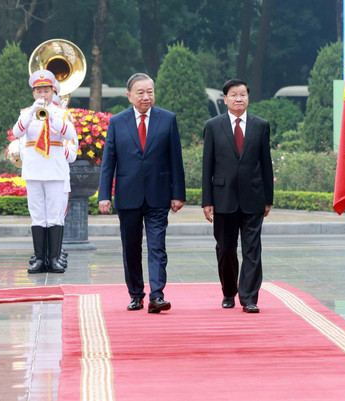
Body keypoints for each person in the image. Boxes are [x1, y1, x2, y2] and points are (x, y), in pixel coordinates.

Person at [98, 73, 186, 313]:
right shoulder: (117, 122)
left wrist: (178, 194)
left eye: (150, 91)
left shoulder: (167, 120)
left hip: (158, 196)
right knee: (131, 247)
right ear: (129, 96)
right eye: (141, 92)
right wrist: (104, 194)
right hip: (128, 196)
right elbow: (109, 162)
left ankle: (157, 296)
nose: (146, 96)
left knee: (157, 246)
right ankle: (136, 294)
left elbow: (175, 160)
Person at [202, 79, 273, 313]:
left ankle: (249, 297)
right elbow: (207, 166)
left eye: (243, 94)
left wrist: (268, 199)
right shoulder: (213, 126)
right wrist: (207, 201)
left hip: (253, 197)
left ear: (248, 98)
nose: (239, 99)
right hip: (223, 199)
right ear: (225, 99)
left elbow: (266, 164)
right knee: (225, 249)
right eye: (234, 95)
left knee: (252, 249)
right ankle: (228, 291)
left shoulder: (260, 125)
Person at [13, 70, 77, 274]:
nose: (42, 94)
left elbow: (70, 134)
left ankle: (54, 258)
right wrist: (33, 112)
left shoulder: (63, 114)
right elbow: (16, 132)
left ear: (53, 91)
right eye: (39, 90)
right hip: (33, 172)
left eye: (46, 90)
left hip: (56, 172)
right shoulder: (27, 112)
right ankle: (39, 259)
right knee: (38, 216)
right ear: (33, 93)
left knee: (55, 217)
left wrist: (51, 117)